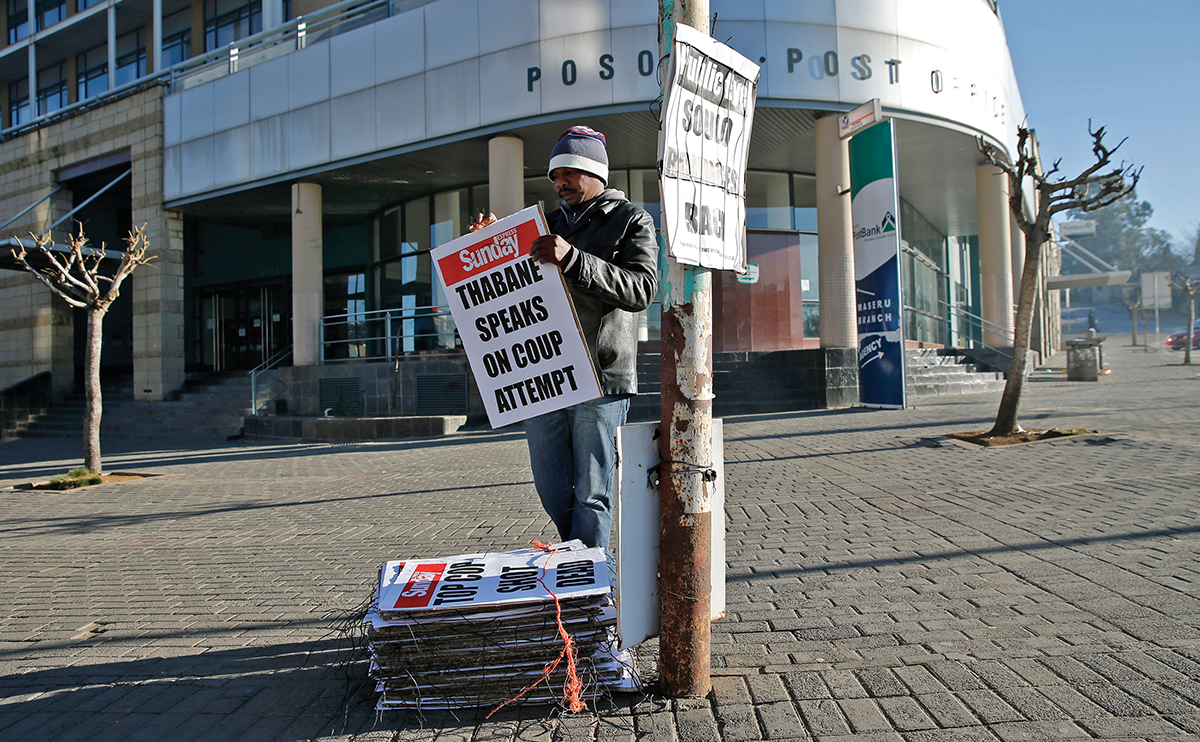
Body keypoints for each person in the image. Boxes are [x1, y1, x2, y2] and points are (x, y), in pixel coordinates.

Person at [521, 125, 659, 553]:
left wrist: (574, 259)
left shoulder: (632, 219)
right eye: (554, 176)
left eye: (567, 173)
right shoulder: (543, 224)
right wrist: (486, 243)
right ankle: (581, 562)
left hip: (601, 375)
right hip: (546, 371)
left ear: (594, 171)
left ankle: (590, 584)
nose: (559, 182)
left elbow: (642, 288)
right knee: (551, 486)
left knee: (593, 491)